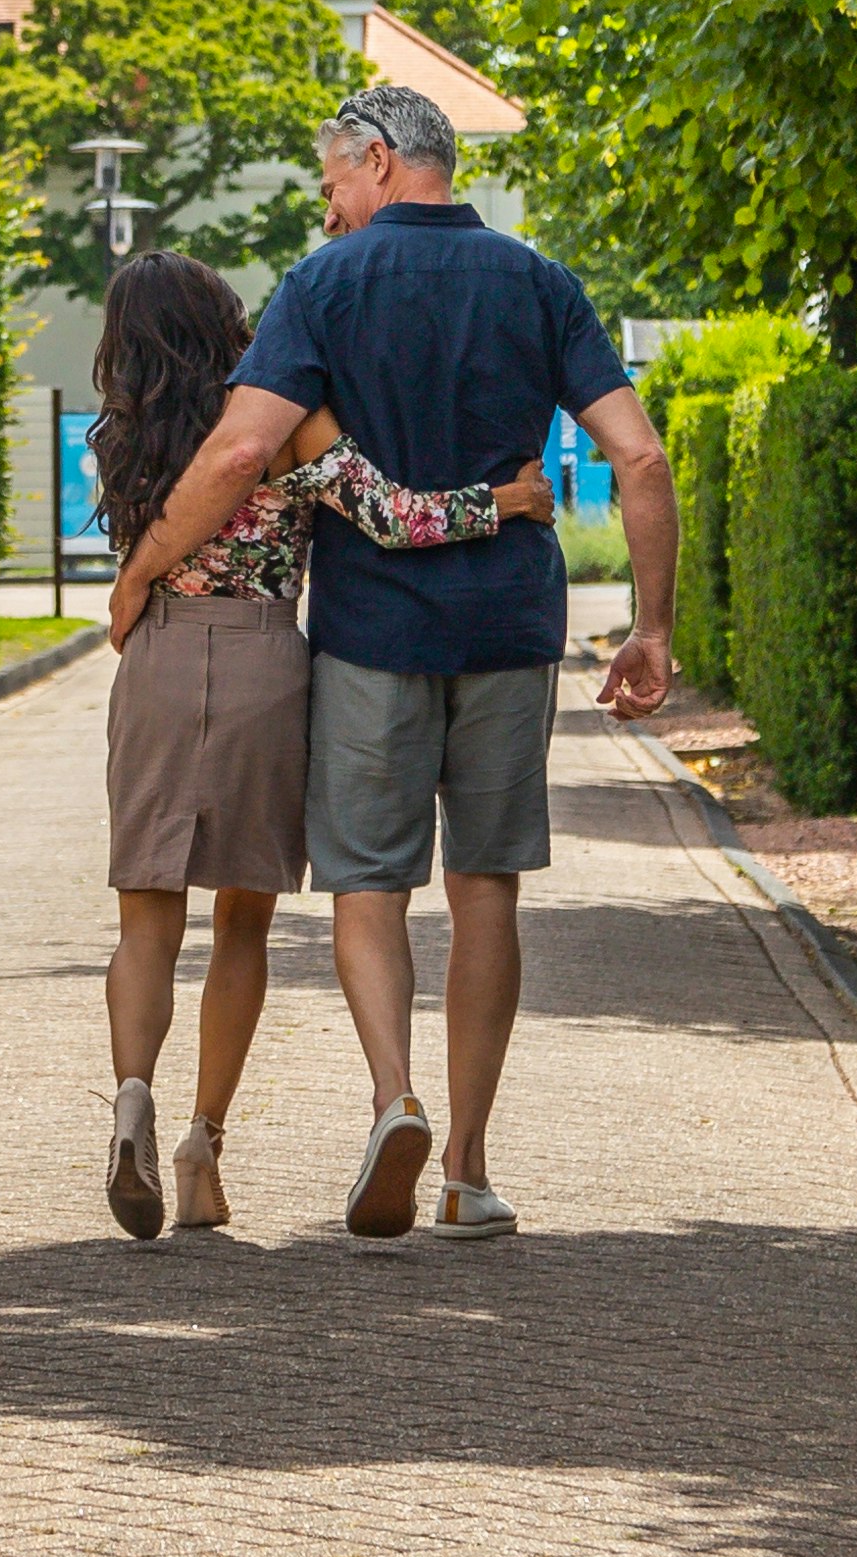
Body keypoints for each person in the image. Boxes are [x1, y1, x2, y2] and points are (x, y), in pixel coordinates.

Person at [102, 86, 671, 1240]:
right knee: (487, 885)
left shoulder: (322, 287)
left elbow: (245, 445)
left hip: (368, 635)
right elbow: (642, 458)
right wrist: (652, 625)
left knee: (369, 885)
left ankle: (386, 1095)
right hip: (510, 624)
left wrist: (141, 569)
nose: (330, 212)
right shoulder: (540, 281)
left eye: (332, 186)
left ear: (377, 160)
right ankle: (464, 1166)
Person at [81, 250, 542, 1240]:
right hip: (262, 664)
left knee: (145, 919)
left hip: (156, 656)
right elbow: (389, 516)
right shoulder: (286, 419)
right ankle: (203, 1141)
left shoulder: (117, 437)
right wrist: (502, 501)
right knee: (241, 922)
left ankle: (131, 1100)